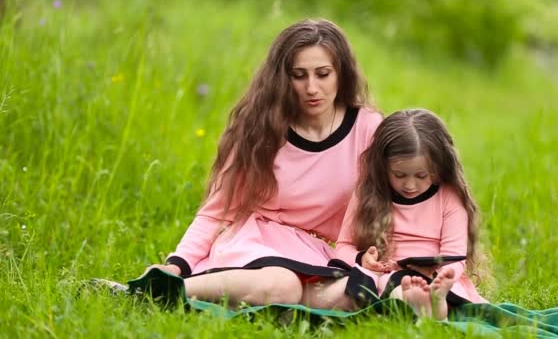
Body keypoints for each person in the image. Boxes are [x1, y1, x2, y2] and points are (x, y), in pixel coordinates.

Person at [143, 19, 383, 309]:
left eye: (323, 74)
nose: (311, 87)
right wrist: (177, 264)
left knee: (354, 294)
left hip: (319, 254)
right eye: (299, 75)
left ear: (341, 74)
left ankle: (251, 300)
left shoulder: (368, 127)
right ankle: (161, 290)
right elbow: (217, 211)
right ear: (283, 78)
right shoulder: (262, 127)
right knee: (281, 287)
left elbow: (386, 204)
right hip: (256, 244)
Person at [332, 109, 488, 320]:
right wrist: (362, 259)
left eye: (422, 175)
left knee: (409, 290)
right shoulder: (367, 193)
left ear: (440, 167)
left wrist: (443, 276)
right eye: (399, 175)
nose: (410, 185)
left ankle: (433, 300)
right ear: (382, 166)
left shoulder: (449, 196)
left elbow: (455, 257)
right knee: (371, 287)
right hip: (383, 276)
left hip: (436, 279)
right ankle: (420, 305)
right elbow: (342, 247)